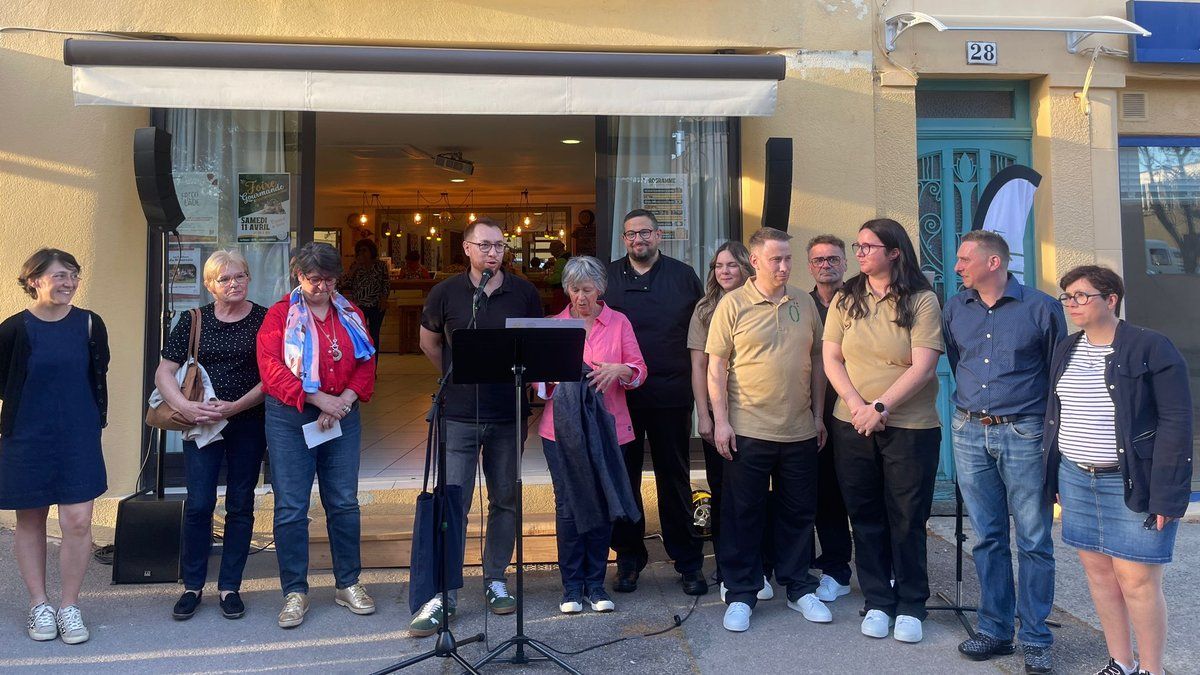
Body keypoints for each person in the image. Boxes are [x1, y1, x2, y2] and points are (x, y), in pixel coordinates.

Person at [1044, 265, 1192, 675]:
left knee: (1138, 581)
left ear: (1111, 300)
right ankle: (1121, 663)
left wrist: (1168, 493)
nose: (1071, 303)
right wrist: (1054, 475)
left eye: (1081, 295)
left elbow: (1176, 423)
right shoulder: (1066, 348)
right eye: (1066, 297)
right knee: (1100, 577)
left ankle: (1152, 669)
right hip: (1076, 478)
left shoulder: (1151, 348)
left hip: (1131, 482)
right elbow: (1056, 415)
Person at [412, 217, 544, 636]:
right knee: (455, 502)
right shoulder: (446, 292)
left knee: (505, 498)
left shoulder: (523, 292)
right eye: (484, 245)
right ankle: (445, 593)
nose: (493, 252)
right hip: (458, 414)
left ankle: (496, 579)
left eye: (499, 246)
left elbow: (537, 346)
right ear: (466, 248)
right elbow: (428, 342)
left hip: (507, 414)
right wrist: (457, 373)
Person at [942, 231, 1065, 673]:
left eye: (964, 259)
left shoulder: (1041, 307)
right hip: (970, 430)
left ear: (993, 263)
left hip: (1024, 433)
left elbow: (1057, 377)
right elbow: (958, 360)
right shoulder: (957, 307)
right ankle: (995, 630)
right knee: (988, 537)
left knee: (1034, 539)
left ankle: (1036, 638)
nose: (957, 267)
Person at [822, 218, 943, 644]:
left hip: (909, 426)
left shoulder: (921, 299)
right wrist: (858, 406)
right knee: (865, 514)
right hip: (853, 422)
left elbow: (924, 365)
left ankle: (911, 603)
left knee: (908, 517)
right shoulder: (846, 297)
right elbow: (832, 357)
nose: (860, 253)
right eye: (857, 246)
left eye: (869, 246)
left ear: (893, 252)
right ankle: (877, 599)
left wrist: (881, 406)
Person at [707, 227, 830, 633]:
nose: (784, 266)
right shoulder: (732, 304)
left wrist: (816, 417)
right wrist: (721, 421)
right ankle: (742, 593)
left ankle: (798, 587)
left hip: (798, 429)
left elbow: (817, 360)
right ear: (754, 262)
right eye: (775, 259)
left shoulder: (803, 302)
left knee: (798, 512)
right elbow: (716, 368)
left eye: (788, 258)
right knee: (744, 514)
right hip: (749, 429)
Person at [256, 242, 377, 629]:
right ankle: (295, 591)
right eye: (314, 280)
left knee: (343, 502)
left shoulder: (351, 313)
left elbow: (366, 360)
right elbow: (272, 369)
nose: (322, 287)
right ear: (298, 276)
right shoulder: (279, 315)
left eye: (329, 279)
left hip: (341, 412)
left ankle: (348, 583)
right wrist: (319, 399)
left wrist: (340, 401)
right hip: (291, 417)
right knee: (291, 506)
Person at [0, 249, 109, 645]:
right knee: (30, 519)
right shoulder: (13, 329)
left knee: (77, 520)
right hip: (26, 437)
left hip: (78, 436)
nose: (68, 282)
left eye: (73, 275)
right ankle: (39, 604)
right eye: (59, 275)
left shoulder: (90, 325)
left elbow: (99, 372)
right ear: (34, 281)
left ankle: (69, 606)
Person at [157, 250, 269, 622]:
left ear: (248, 279)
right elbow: (164, 373)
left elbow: (274, 374)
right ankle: (192, 585)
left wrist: (236, 406)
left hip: (248, 421)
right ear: (210, 285)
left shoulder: (265, 319)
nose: (233, 284)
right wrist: (186, 408)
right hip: (202, 423)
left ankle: (229, 586)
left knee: (240, 502)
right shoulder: (193, 320)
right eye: (224, 279)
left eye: (239, 276)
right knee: (200, 502)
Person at [603, 208, 708, 596]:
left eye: (645, 233)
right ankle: (628, 558)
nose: (638, 240)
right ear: (624, 239)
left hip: (672, 393)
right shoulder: (608, 277)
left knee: (674, 477)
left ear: (659, 235)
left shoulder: (683, 276)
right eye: (631, 234)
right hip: (620, 397)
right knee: (624, 478)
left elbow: (701, 333)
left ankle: (688, 561)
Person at [538, 256, 646, 615]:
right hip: (561, 431)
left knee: (602, 506)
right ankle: (571, 587)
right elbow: (537, 382)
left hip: (610, 427)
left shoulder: (619, 323)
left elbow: (640, 371)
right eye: (573, 290)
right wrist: (550, 379)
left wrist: (621, 370)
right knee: (568, 507)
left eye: (587, 290)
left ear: (600, 288)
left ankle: (596, 585)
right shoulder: (554, 325)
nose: (580, 297)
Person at [687, 241, 769, 598]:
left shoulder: (763, 304)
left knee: (757, 496)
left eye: (731, 265)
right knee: (724, 494)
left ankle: (764, 564)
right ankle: (727, 566)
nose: (723, 272)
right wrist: (703, 415)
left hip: (761, 415)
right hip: (723, 417)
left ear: (748, 268)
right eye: (718, 266)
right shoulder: (706, 309)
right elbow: (699, 366)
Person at [805, 234, 855, 603]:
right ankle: (834, 567)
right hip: (814, 415)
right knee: (823, 494)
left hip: (859, 412)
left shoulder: (861, 302)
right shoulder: (799, 305)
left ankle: (877, 570)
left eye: (833, 259)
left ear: (845, 263)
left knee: (862, 494)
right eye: (819, 260)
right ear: (810, 266)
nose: (826, 265)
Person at [342, 240, 390, 349]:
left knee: (374, 334)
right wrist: (355, 268)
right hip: (360, 305)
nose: (362, 253)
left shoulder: (380, 265)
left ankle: (374, 363)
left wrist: (384, 299)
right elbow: (345, 283)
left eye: (364, 250)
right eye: (359, 251)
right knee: (360, 333)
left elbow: (386, 283)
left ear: (371, 251)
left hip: (376, 304)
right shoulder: (355, 266)